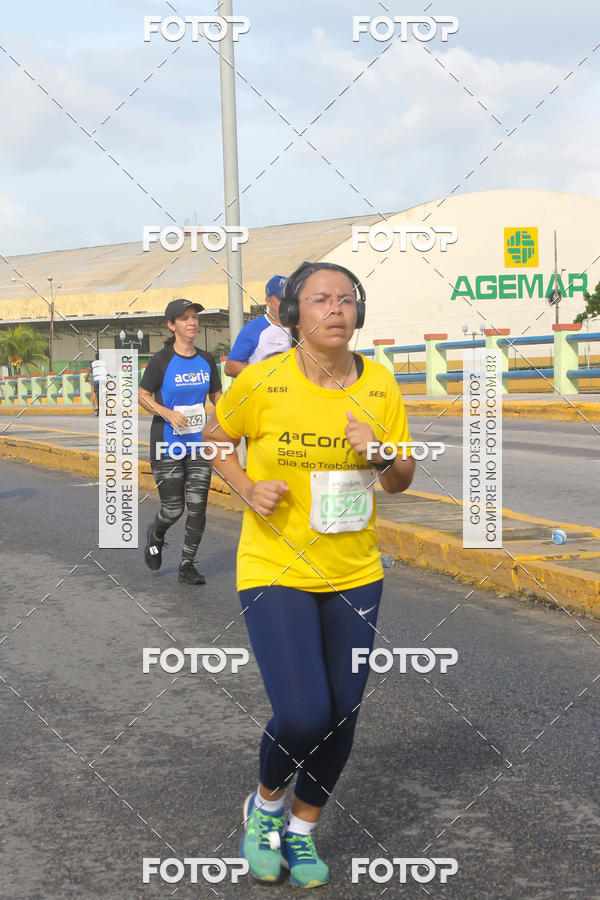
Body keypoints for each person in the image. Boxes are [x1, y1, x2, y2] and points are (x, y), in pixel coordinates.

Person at [203, 261, 415, 888]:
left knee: (342, 713)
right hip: (275, 567)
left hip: (354, 572)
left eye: (346, 300)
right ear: (295, 311)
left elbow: (402, 479)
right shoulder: (263, 381)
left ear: (359, 313)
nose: (335, 309)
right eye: (320, 299)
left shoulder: (378, 384)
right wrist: (244, 484)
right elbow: (215, 435)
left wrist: (378, 450)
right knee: (302, 713)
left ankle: (301, 831)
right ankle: (265, 807)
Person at [139, 298, 222, 585]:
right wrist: (167, 413)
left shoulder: (207, 360)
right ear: (171, 325)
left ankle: (187, 564)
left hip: (199, 443)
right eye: (185, 318)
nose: (192, 323)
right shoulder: (161, 361)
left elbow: (217, 396)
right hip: (167, 444)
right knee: (174, 508)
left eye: (195, 318)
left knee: (198, 504)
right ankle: (157, 534)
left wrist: (228, 417)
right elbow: (142, 395)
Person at [224, 275, 291, 377]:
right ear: (268, 301)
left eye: (289, 298)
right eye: (281, 299)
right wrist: (263, 375)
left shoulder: (302, 327)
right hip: (264, 391)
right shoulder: (253, 329)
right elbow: (230, 367)